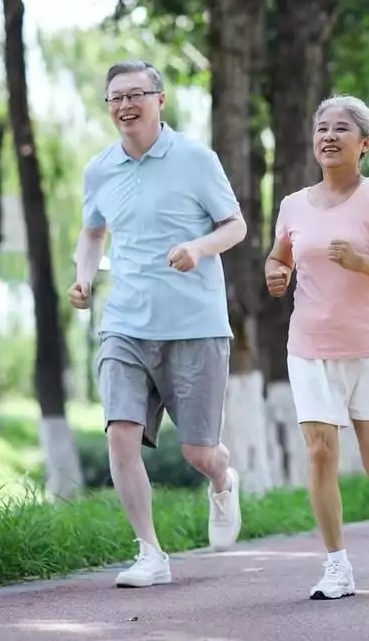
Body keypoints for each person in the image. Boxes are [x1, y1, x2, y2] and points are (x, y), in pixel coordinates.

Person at [69, 60, 246, 588]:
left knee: (197, 451)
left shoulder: (195, 158)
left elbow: (235, 225)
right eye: (115, 97)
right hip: (125, 323)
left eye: (135, 95)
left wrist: (198, 247)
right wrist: (83, 279)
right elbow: (92, 233)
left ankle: (221, 476)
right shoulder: (100, 168)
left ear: (159, 100)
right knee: (120, 437)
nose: (125, 105)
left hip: (195, 324)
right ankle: (150, 553)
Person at [264, 93, 369, 601]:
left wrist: (362, 262)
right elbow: (280, 258)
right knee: (320, 450)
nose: (328, 137)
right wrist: (277, 273)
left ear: (365, 143)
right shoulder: (293, 203)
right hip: (310, 347)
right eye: (321, 128)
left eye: (341, 129)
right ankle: (336, 564)